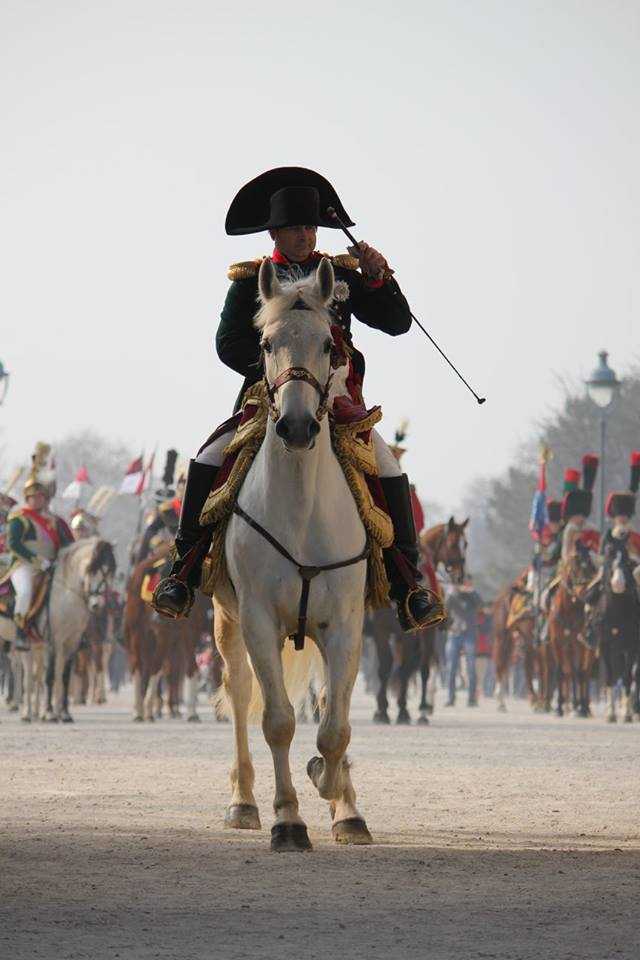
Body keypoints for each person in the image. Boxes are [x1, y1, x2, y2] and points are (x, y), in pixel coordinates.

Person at [153, 167, 446, 633]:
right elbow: (228, 343)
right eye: (295, 228)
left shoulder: (341, 274)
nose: (305, 236)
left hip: (338, 404)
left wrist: (377, 278)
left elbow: (397, 322)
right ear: (275, 232)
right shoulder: (250, 281)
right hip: (268, 398)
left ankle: (409, 585)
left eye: (310, 227)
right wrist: (282, 375)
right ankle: (182, 573)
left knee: (390, 469)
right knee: (207, 457)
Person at [4, 444, 74, 650]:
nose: (37, 500)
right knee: (24, 592)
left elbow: (66, 544)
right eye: (34, 497)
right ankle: (20, 632)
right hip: (24, 565)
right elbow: (14, 545)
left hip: (50, 565)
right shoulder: (18, 518)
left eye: (41, 497)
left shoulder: (52, 520)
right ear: (27, 498)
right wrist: (37, 561)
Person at [444, 574, 484, 707]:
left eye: (467, 582)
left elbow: (480, 605)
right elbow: (445, 607)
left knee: (471, 667)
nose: (464, 584)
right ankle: (451, 698)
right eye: (463, 582)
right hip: (454, 633)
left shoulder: (473, 594)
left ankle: (472, 698)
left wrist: (471, 591)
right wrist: (450, 592)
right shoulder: (453, 594)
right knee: (451, 668)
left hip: (469, 634)